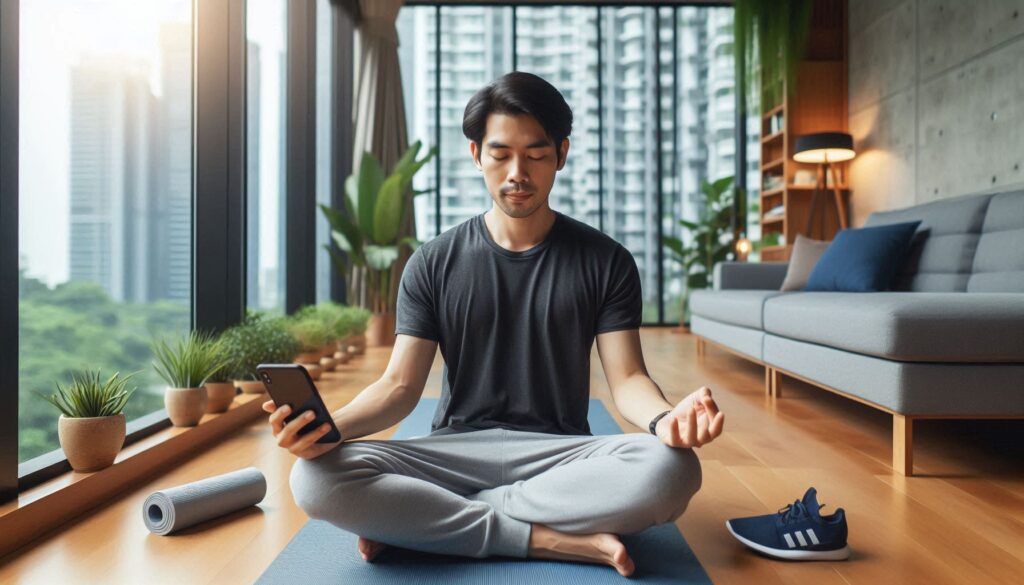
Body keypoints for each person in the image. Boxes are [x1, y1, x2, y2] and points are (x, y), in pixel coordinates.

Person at [264, 71, 724, 577]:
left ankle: (429, 523)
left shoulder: (606, 261)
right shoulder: (432, 262)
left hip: (561, 453)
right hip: (454, 452)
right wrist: (326, 430)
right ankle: (543, 539)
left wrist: (667, 421)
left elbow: (629, 380)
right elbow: (398, 386)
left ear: (562, 154)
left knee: (671, 468)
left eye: (536, 153)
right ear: (476, 154)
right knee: (314, 479)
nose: (517, 173)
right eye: (501, 153)